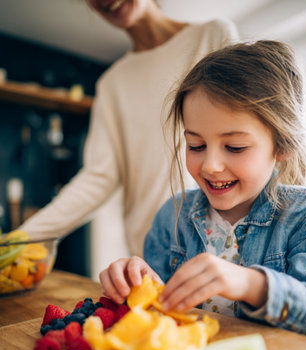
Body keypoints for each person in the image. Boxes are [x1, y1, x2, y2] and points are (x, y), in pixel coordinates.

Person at [99, 40, 306, 345]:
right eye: (196, 145)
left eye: (234, 147)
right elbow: (154, 314)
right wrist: (132, 284)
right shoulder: (171, 216)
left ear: (282, 146)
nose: (210, 166)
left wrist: (255, 285)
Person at [20, 0, 239, 274]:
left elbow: (246, 135)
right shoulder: (112, 83)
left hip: (221, 253)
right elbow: (98, 178)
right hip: (150, 260)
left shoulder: (212, 36)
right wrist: (23, 238)